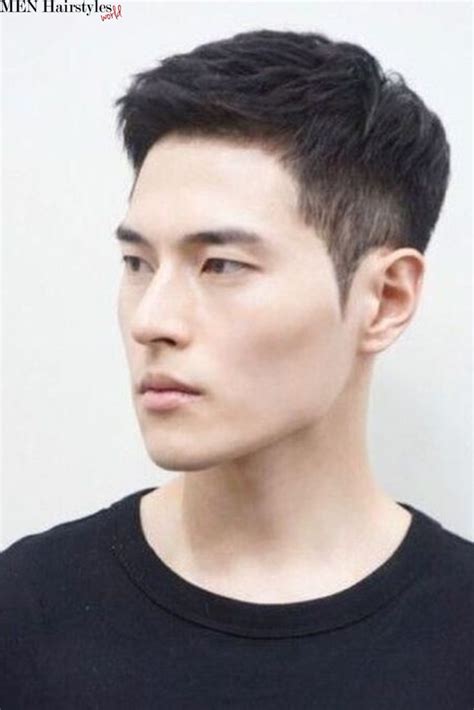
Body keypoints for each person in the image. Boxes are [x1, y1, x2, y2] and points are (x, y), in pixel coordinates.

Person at [1, 28, 472, 709]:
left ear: (386, 299)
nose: (151, 319)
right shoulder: (26, 615)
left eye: (221, 265)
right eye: (138, 263)